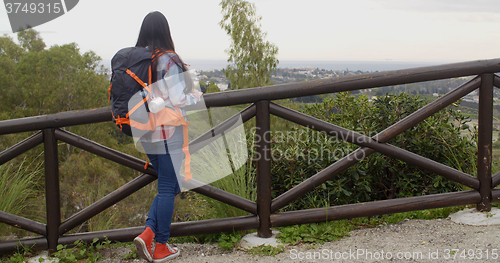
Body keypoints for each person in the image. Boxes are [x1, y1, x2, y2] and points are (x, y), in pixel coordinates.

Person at [132, 11, 202, 263]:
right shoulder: (167, 59)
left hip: (145, 131)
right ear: (166, 30)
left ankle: (149, 233)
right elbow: (178, 98)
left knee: (169, 185)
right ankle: (160, 246)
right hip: (168, 131)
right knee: (167, 187)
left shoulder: (138, 59)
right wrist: (196, 96)